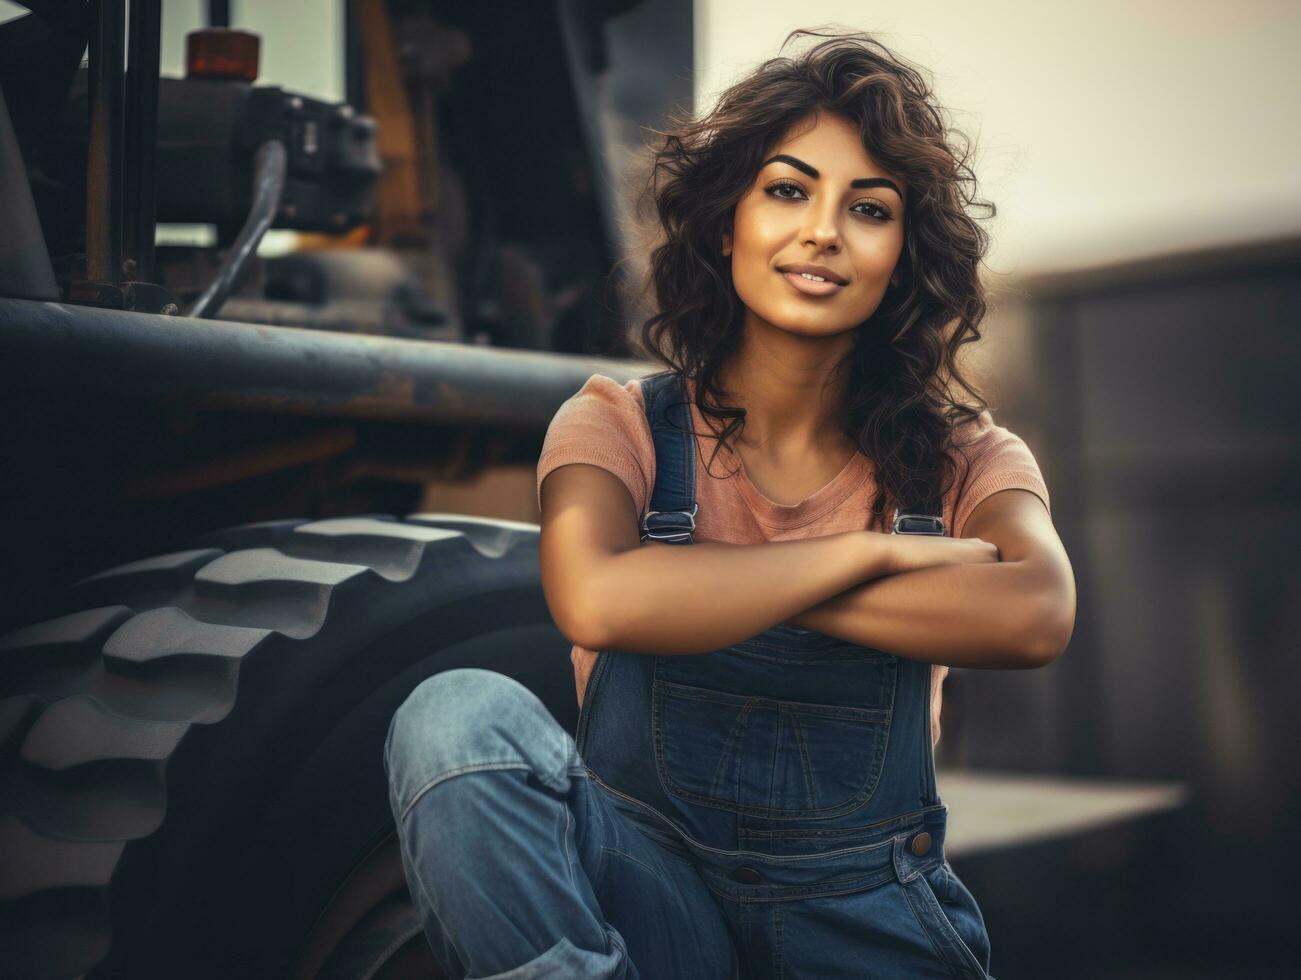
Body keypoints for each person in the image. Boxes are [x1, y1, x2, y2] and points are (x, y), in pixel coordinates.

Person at [383, 28, 1076, 979]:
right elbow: (595, 599)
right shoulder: (614, 425)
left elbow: (1034, 613)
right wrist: (870, 556)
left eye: (867, 208)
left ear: (902, 253)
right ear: (725, 223)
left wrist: (681, 584)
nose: (822, 231)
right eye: (787, 190)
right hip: (648, 894)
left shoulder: (962, 457)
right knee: (454, 718)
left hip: (862, 924)